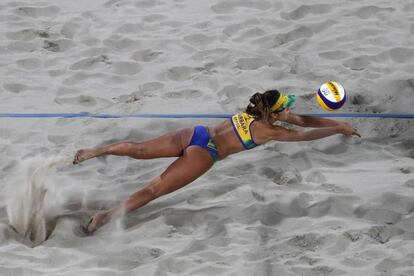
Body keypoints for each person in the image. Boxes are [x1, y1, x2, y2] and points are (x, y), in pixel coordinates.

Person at [73, 90, 360, 234]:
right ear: (275, 113)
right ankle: (104, 217)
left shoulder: (255, 112)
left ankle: (96, 151)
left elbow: (305, 119)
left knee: (137, 149)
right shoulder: (271, 131)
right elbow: (305, 134)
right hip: (205, 153)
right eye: (286, 107)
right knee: (153, 191)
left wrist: (338, 123)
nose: (290, 109)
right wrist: (336, 129)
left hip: (195, 133)